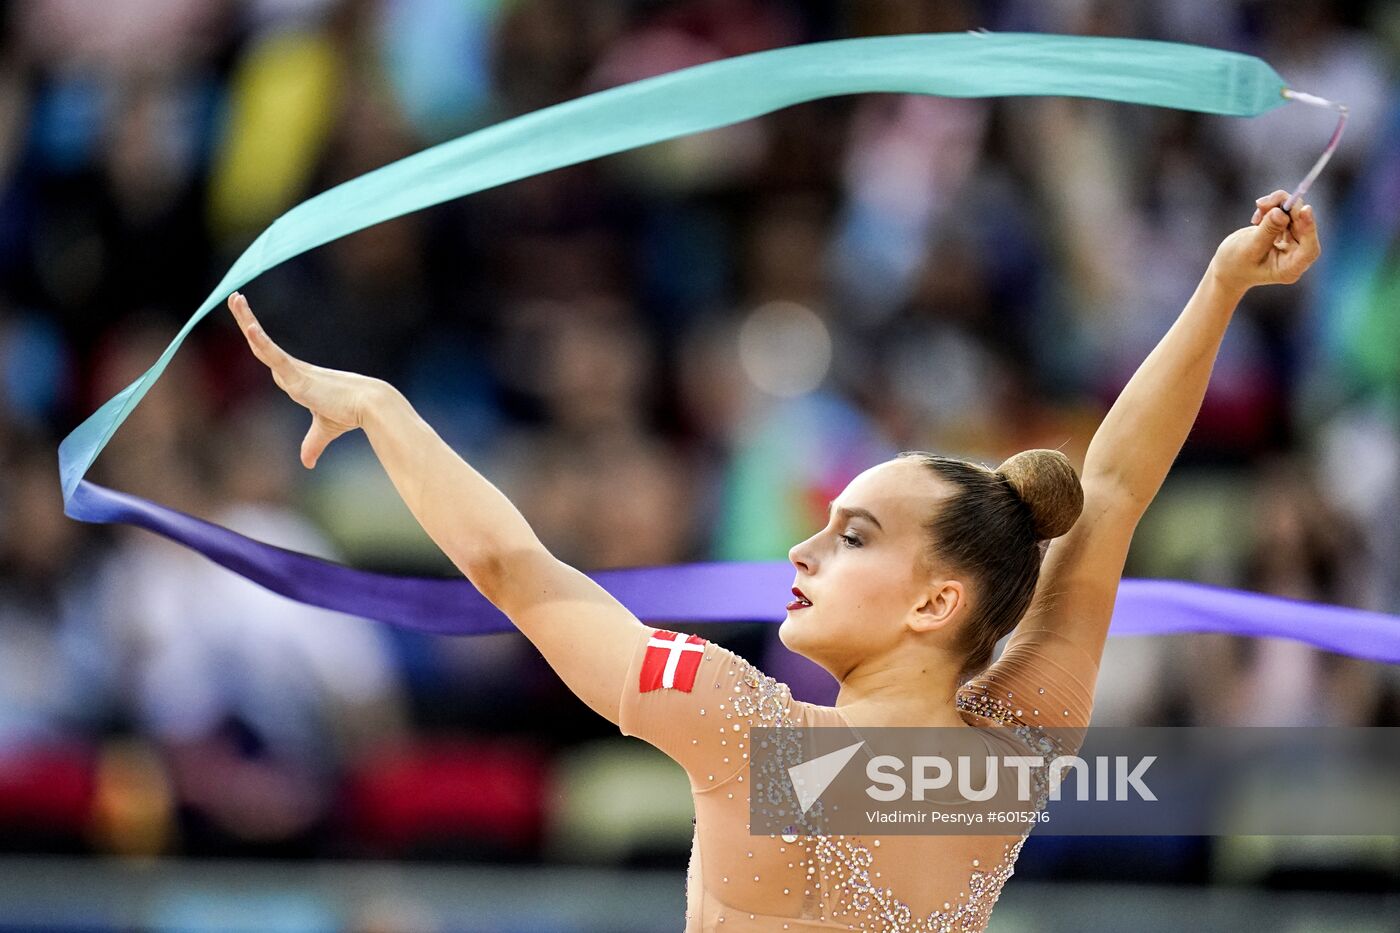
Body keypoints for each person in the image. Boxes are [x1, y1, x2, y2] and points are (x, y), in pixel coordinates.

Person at [227, 189, 1321, 931]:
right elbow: (1114, 493)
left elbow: (516, 568)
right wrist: (1219, 290)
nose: (798, 548)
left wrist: (383, 408)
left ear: (937, 598)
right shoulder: (1015, 752)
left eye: (851, 535)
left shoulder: (741, 731)